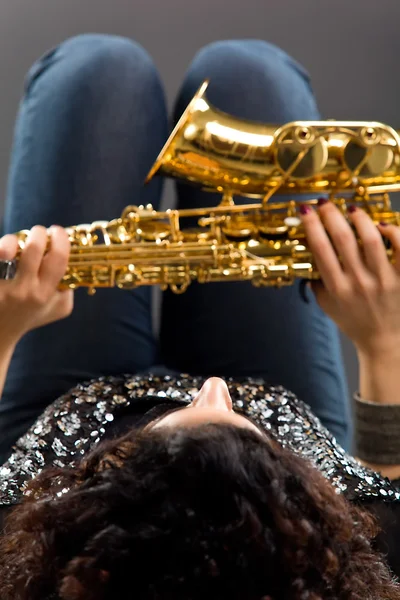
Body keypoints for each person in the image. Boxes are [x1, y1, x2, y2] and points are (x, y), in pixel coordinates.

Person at [0, 35, 399, 599]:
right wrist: (384, 338)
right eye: (246, 436)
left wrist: (5, 330)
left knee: (95, 69)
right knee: (248, 71)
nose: (213, 390)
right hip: (281, 391)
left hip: (61, 407)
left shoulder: (22, 551)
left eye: (175, 432)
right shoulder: (330, 564)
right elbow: (384, 504)